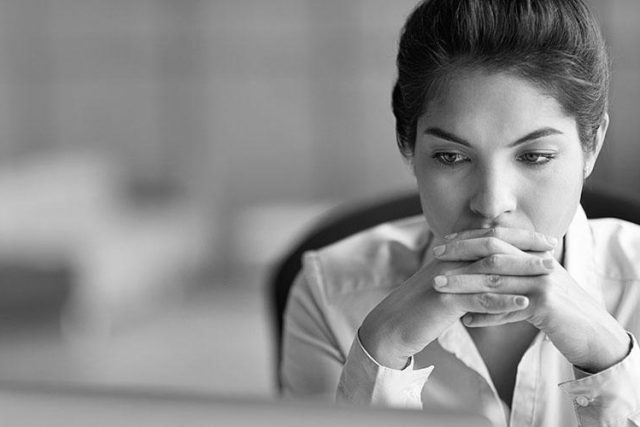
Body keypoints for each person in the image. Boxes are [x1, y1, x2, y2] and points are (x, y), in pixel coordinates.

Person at [280, 0, 640, 426]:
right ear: (408, 148)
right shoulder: (330, 291)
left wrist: (607, 359)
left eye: (536, 157)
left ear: (591, 146)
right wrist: (382, 350)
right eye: (451, 157)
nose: (490, 203)